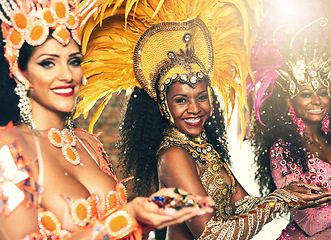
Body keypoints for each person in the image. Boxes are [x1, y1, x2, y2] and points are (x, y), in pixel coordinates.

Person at [75, 0, 331, 239]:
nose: (195, 108)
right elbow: (213, 234)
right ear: (163, 107)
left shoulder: (203, 148)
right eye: (181, 100)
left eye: (201, 97)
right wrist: (277, 202)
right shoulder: (173, 155)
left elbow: (243, 205)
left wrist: (285, 195)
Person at [0, 1, 215, 239]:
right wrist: (129, 216)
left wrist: (147, 214)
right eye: (48, 63)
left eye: (74, 61)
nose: (67, 75)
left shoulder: (89, 145)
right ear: (21, 71)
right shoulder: (8, 148)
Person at [249, 0, 331, 238]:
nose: (316, 101)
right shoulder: (283, 150)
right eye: (306, 94)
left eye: (322, 93)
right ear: (291, 102)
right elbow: (309, 221)